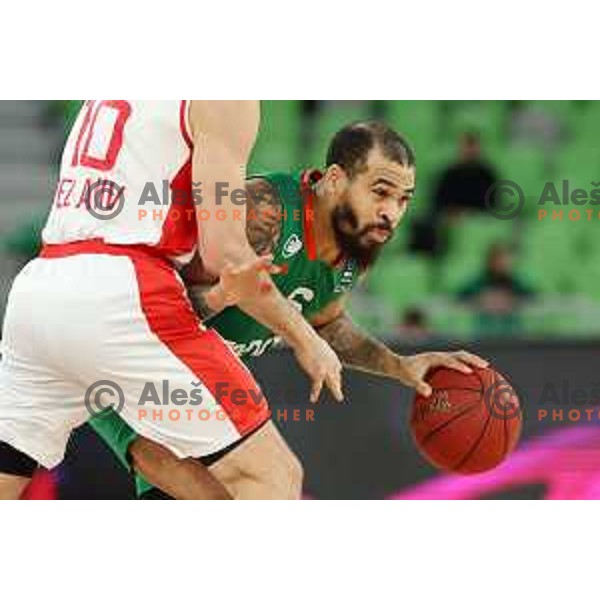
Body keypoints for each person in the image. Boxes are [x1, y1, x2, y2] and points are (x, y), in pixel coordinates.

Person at [88, 120, 488, 499]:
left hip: (192, 385)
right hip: (127, 358)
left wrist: (399, 366)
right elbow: (153, 303)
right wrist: (234, 302)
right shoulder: (264, 212)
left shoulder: (359, 247)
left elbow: (326, 324)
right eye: (380, 192)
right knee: (273, 479)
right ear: (334, 180)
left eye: (403, 199)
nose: (392, 212)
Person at [0, 100, 345, 500]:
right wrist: (307, 339)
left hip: (39, 288)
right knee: (270, 477)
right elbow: (225, 254)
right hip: (124, 291)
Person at [458, 242, 535, 336]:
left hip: (513, 334)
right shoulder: (478, 283)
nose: (503, 263)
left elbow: (533, 298)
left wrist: (513, 301)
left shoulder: (516, 283)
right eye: (499, 259)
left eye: (506, 260)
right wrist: (480, 301)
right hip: (483, 334)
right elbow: (460, 298)